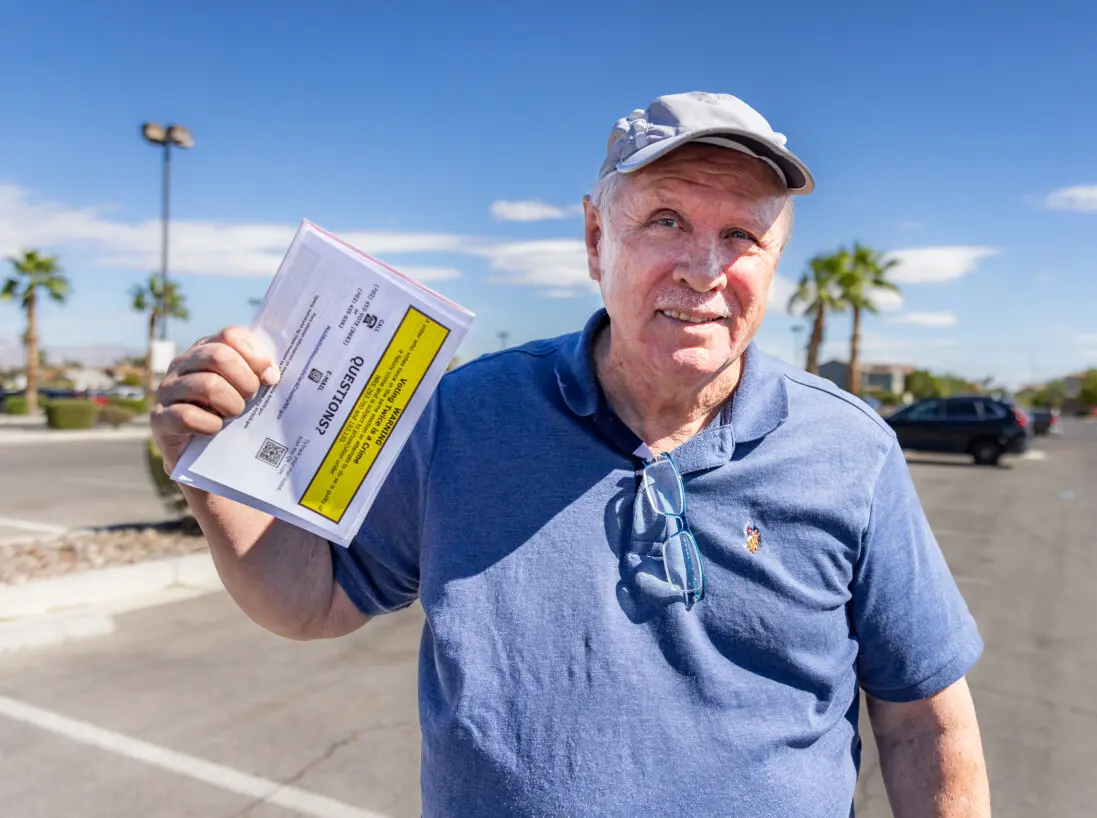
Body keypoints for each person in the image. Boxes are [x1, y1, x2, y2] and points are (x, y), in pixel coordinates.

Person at [151, 91, 990, 817]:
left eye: (740, 234)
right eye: (666, 219)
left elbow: (924, 721)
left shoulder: (851, 451)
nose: (703, 269)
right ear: (596, 239)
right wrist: (210, 475)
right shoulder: (461, 417)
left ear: (773, 264)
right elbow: (315, 601)